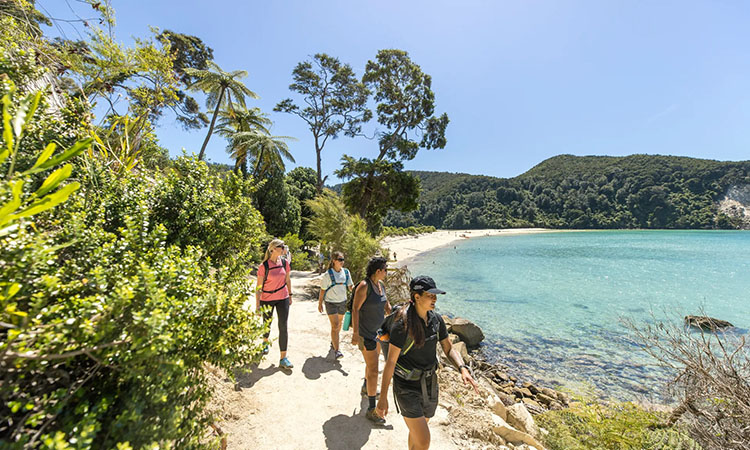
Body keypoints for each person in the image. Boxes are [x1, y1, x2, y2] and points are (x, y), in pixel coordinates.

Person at [377, 275, 479, 450]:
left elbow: (449, 348)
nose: (435, 299)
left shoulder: (436, 320)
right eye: (430, 295)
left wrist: (462, 368)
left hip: (430, 385)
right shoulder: (403, 324)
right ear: (417, 297)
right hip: (406, 387)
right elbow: (391, 362)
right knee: (424, 441)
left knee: (418, 433)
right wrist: (383, 398)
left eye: (435, 295)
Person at [350, 256, 391, 424]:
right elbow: (355, 309)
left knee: (371, 366)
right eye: (385, 270)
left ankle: (367, 387)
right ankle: (371, 409)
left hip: (379, 334)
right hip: (366, 334)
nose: (387, 272)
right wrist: (355, 333)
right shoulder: (364, 286)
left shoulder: (380, 286)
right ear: (378, 271)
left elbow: (387, 307)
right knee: (374, 369)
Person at [256, 238, 293, 369]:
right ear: (273, 249)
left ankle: (283, 358)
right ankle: (265, 343)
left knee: (283, 326)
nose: (284, 249)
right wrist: (257, 306)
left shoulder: (285, 263)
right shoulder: (263, 266)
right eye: (281, 247)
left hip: (282, 297)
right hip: (267, 299)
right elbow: (258, 288)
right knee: (267, 323)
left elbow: (287, 280)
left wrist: (290, 294)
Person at [318, 251, 353, 359]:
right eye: (340, 260)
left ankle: (334, 341)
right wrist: (320, 303)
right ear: (334, 261)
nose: (342, 262)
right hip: (331, 303)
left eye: (343, 259)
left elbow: (351, 287)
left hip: (342, 302)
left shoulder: (346, 272)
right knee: (335, 325)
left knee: (339, 326)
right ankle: (337, 350)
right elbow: (322, 290)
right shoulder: (327, 275)